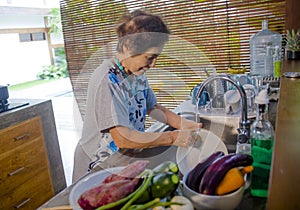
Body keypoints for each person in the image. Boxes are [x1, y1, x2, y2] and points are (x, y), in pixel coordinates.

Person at [72, 10, 202, 182]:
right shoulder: (107, 79)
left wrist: (186, 125)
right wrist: (173, 137)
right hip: (98, 166)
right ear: (127, 47)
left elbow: (153, 107)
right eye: (149, 57)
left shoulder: (136, 73)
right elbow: (123, 138)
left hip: (122, 159)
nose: (153, 65)